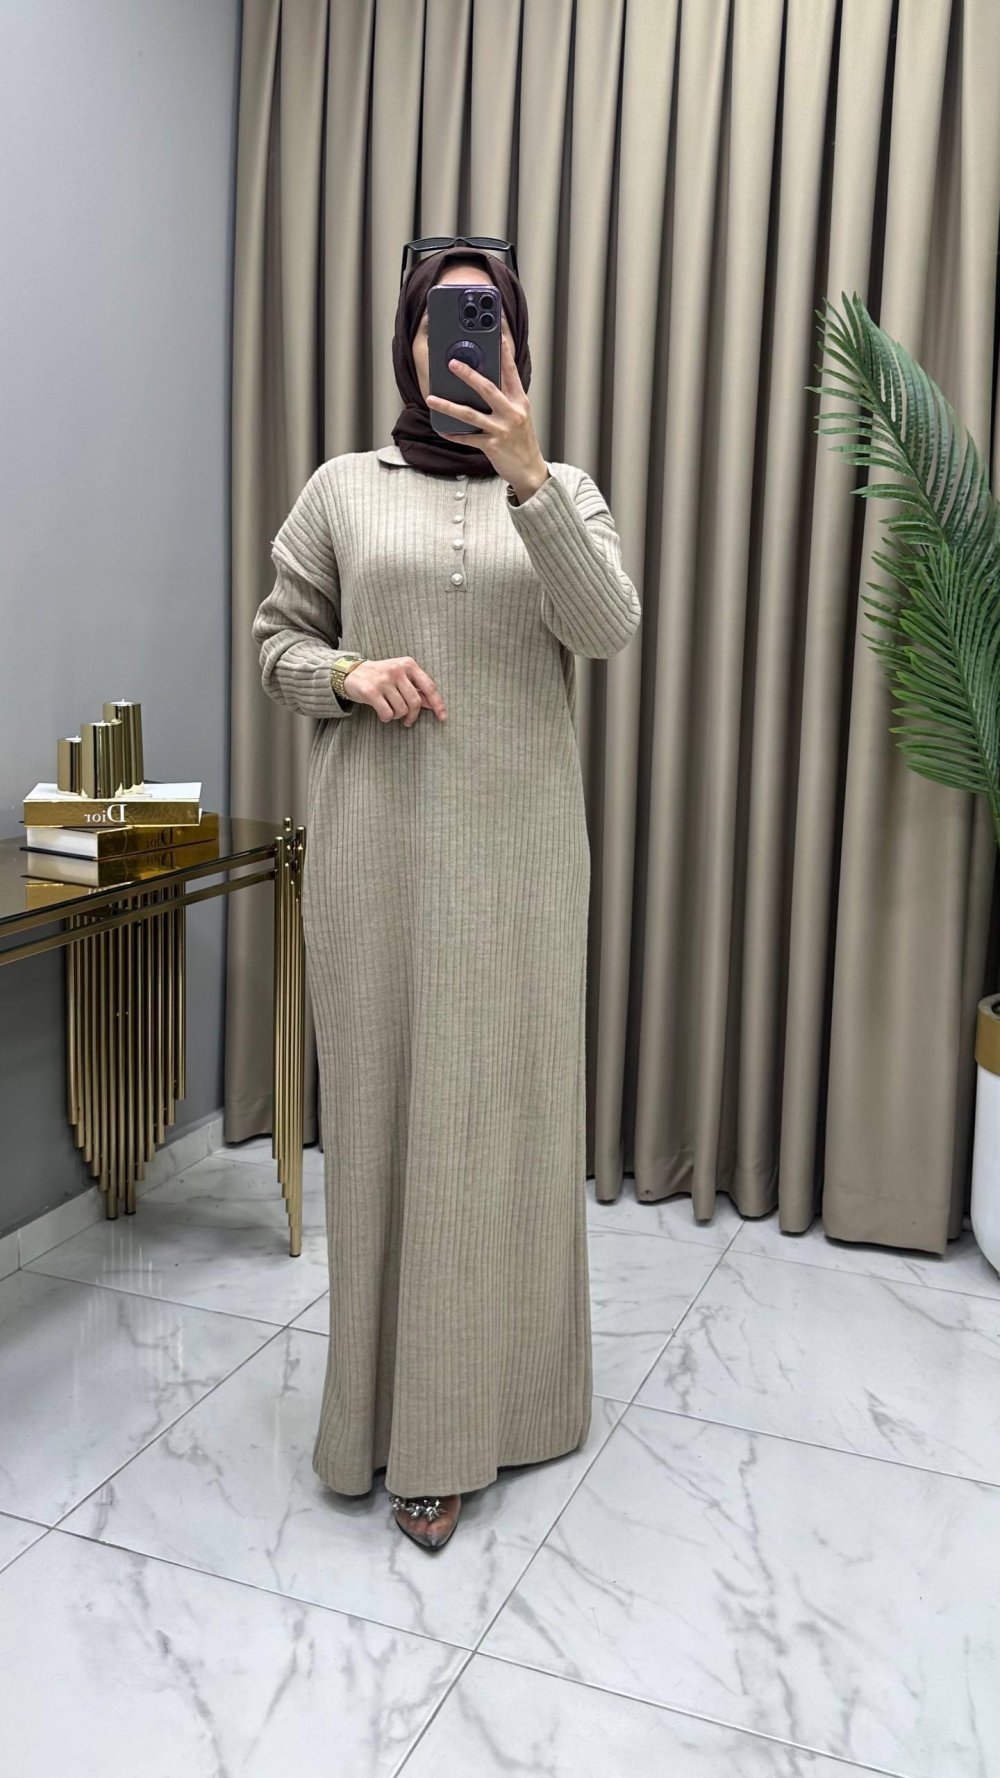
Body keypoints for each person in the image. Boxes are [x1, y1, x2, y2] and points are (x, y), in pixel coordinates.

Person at [252, 240, 641, 1551]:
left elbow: (606, 629)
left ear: (515, 343)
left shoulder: (565, 489)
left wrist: (529, 477)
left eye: (485, 318)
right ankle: (389, 1422)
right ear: (409, 341)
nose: (461, 339)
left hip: (522, 866)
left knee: (506, 1135)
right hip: (380, 861)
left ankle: (510, 1409)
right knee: (387, 1130)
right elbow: (276, 639)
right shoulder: (342, 488)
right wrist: (346, 675)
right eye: (440, 317)